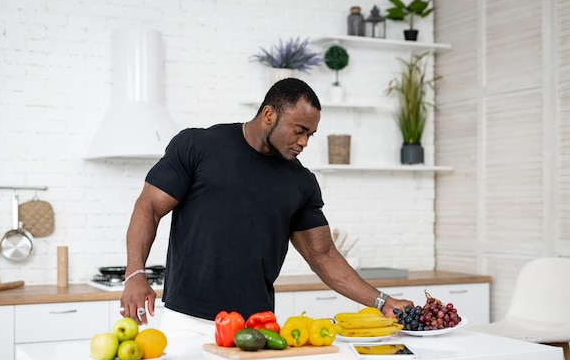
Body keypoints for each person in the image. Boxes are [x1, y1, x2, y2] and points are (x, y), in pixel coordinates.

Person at [120, 78, 412, 330]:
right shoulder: (198, 146)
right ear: (269, 114)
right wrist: (135, 273)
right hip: (187, 320)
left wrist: (382, 302)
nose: (304, 142)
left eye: (310, 134)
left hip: (257, 324)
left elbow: (324, 256)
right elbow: (149, 206)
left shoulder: (302, 182)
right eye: (299, 130)